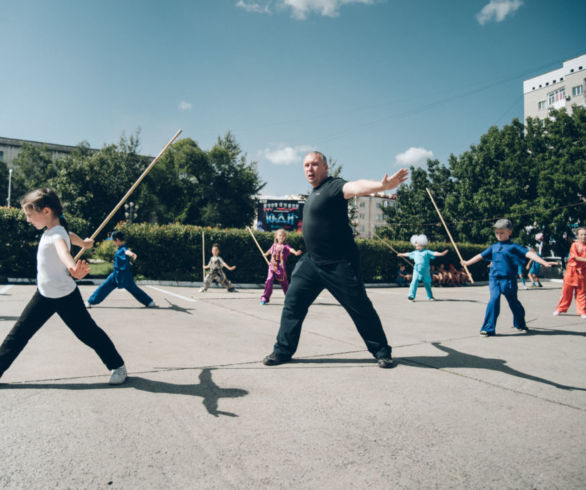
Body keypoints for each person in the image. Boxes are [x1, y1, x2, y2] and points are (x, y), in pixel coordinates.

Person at [263, 151, 408, 368]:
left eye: (314, 164)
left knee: (360, 307)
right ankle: (283, 350)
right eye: (306, 165)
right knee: (292, 303)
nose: (309, 169)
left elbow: (355, 187)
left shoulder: (333, 186)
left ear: (325, 167)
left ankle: (382, 351)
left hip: (339, 263)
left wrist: (381, 186)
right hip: (312, 263)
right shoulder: (313, 193)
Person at [0, 188, 127, 384]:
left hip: (65, 296)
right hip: (43, 295)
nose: (28, 219)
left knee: (88, 333)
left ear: (46, 211)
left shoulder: (55, 236)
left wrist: (72, 267)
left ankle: (118, 366)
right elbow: (70, 235)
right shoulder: (56, 230)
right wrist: (84, 243)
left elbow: (63, 250)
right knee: (18, 334)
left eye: (29, 215)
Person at [461, 219, 554, 336]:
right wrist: (467, 262)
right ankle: (488, 328)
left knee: (513, 302)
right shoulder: (493, 247)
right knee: (493, 300)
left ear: (509, 232)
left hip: (508, 280)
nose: (499, 235)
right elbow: (480, 256)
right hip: (494, 278)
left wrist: (544, 262)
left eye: (502, 233)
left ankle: (520, 323)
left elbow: (529, 254)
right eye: (497, 233)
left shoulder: (513, 247)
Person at [86, 230, 156, 308]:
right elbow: (123, 258)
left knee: (133, 289)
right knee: (104, 287)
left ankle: (149, 301)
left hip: (124, 275)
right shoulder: (120, 248)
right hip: (116, 274)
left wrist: (132, 254)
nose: (113, 243)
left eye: (114, 241)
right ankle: (90, 301)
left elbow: (127, 252)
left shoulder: (123, 248)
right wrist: (128, 262)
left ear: (117, 240)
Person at [397, 234, 448, 301]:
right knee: (414, 282)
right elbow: (407, 254)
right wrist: (401, 254)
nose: (416, 245)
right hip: (417, 271)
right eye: (415, 244)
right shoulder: (414, 252)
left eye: (417, 244)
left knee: (427, 283)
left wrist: (441, 254)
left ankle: (430, 296)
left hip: (425, 272)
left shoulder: (427, 252)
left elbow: (434, 253)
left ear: (422, 245)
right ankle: (411, 296)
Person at [260, 229, 302, 305]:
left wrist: (295, 252)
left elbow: (290, 249)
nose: (281, 237)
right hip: (272, 265)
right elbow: (270, 250)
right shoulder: (274, 245)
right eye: (280, 235)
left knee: (284, 283)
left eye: (283, 236)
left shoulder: (285, 246)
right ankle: (265, 298)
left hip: (280, 267)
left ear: (285, 237)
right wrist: (266, 254)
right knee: (269, 280)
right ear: (276, 236)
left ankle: (290, 298)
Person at [553, 227, 586, 318]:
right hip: (571, 272)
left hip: (582, 273)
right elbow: (575, 257)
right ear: (578, 236)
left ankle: (582, 311)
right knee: (566, 291)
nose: (584, 236)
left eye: (585, 234)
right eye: (582, 234)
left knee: (582, 293)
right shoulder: (575, 245)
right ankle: (560, 308)